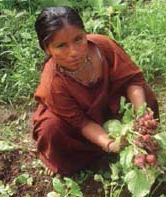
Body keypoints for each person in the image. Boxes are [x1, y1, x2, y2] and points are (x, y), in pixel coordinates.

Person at [32, 6, 159, 176]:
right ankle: (82, 158)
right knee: (51, 129)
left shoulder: (103, 46)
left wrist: (142, 115)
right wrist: (109, 143)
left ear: (85, 34)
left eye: (79, 39)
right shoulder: (52, 84)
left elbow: (132, 80)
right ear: (47, 49)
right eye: (61, 46)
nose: (74, 52)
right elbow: (81, 123)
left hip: (109, 108)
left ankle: (141, 142)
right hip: (77, 126)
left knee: (145, 96)